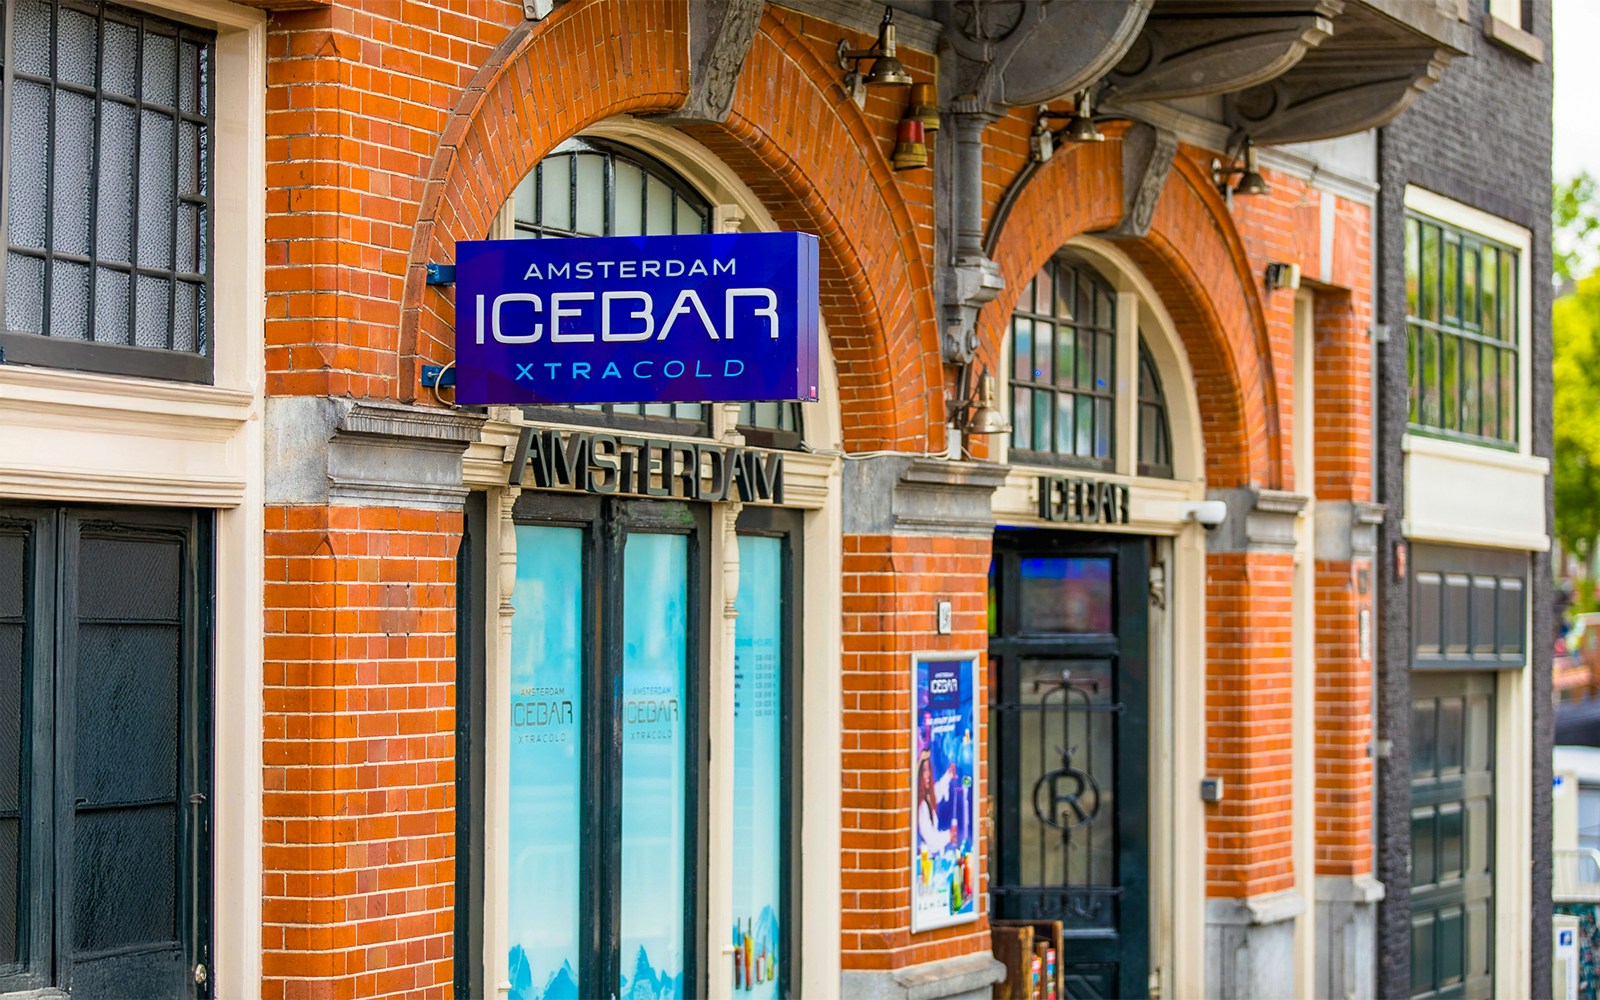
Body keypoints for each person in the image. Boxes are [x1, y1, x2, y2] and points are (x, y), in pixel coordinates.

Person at [917, 751, 959, 850]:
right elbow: (931, 840)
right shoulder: (921, 806)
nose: (928, 775)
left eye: (928, 770)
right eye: (924, 770)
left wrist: (948, 775)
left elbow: (937, 792)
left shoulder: (926, 798)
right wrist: (949, 835)